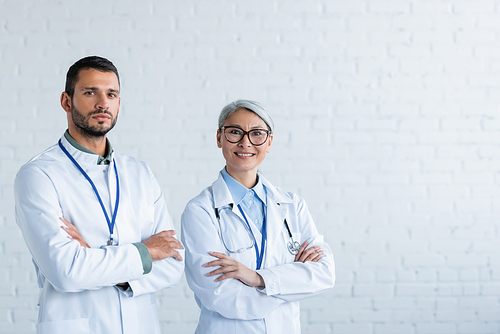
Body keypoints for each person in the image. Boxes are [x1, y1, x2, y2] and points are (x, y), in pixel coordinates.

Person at [14, 56, 184, 334]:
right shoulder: (38, 175)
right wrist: (146, 252)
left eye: (112, 94)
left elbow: (173, 264)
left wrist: (92, 256)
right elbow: (65, 272)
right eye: (90, 92)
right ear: (66, 101)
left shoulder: (140, 173)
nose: (103, 103)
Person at [181, 100, 335, 334]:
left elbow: (324, 273)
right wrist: (290, 284)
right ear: (219, 138)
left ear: (269, 142)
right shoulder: (200, 211)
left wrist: (257, 278)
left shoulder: (292, 205)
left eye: (257, 134)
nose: (246, 143)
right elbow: (221, 296)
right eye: (234, 132)